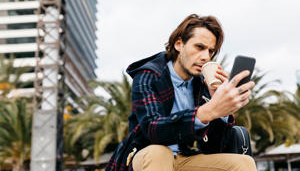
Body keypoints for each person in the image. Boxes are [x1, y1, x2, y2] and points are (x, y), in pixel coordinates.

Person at [105, 14, 257, 171]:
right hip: (145, 154)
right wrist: (207, 111)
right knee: (159, 152)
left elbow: (215, 145)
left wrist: (221, 110)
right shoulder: (149, 75)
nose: (206, 57)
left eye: (211, 51)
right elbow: (152, 129)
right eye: (199, 47)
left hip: (186, 158)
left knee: (244, 163)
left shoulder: (203, 84)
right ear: (179, 44)